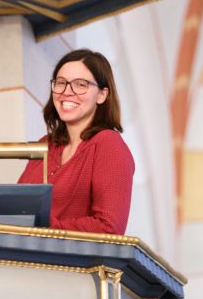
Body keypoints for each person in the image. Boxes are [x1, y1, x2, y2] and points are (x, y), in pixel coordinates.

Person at [18, 49, 134, 234]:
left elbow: (109, 228)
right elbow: (17, 208)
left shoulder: (108, 144)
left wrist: (42, 227)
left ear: (102, 95)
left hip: (72, 262)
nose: (67, 92)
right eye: (61, 83)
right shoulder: (45, 145)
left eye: (80, 85)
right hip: (22, 259)